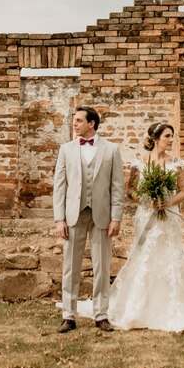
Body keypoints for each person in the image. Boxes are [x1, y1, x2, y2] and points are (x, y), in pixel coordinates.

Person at [70, 122, 184, 332]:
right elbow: (130, 191)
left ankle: (174, 307)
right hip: (146, 216)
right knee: (145, 256)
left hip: (168, 218)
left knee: (170, 256)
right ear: (156, 139)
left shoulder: (175, 163)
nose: (170, 140)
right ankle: (138, 307)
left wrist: (167, 203)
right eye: (167, 136)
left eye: (172, 137)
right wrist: (147, 201)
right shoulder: (140, 162)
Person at [53, 106, 124, 333]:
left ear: (91, 123)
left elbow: (117, 187)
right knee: (70, 267)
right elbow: (59, 186)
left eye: (79, 120)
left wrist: (116, 217)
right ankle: (68, 315)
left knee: (102, 266)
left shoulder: (112, 150)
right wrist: (59, 219)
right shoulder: (66, 150)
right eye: (74, 120)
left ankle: (101, 314)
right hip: (73, 214)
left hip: (102, 216)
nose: (74, 124)